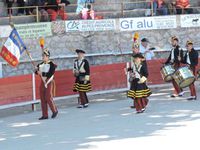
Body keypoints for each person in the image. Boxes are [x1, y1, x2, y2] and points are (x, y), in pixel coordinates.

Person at [35, 49, 58, 120]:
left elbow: (50, 74)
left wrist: (41, 73)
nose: (43, 57)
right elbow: (36, 72)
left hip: (49, 81)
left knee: (48, 97)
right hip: (42, 82)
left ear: (48, 57)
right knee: (42, 98)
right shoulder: (40, 64)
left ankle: (54, 110)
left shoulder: (52, 65)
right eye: (42, 56)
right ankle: (45, 115)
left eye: (44, 56)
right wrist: (36, 70)